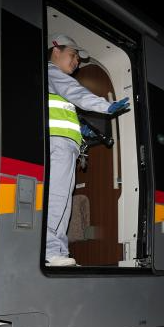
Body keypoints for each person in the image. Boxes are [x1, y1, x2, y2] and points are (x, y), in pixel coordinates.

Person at [45, 34, 130, 266]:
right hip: (59, 145)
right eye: (73, 55)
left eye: (79, 59)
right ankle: (51, 251)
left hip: (62, 145)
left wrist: (82, 130)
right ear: (56, 50)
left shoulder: (51, 79)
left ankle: (57, 251)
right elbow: (76, 93)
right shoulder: (52, 72)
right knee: (58, 198)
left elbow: (58, 111)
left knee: (60, 199)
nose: (77, 62)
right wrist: (105, 106)